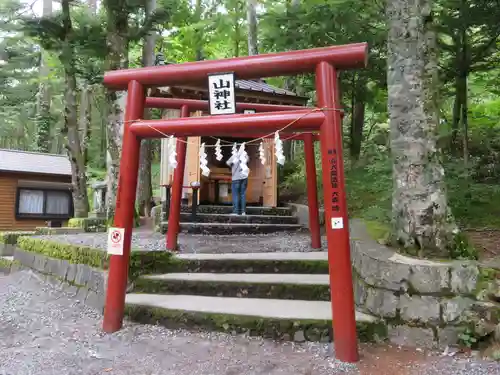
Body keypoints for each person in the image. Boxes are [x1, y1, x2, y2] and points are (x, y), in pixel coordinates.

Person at [226, 145, 249, 215]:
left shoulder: (234, 156)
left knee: (236, 195)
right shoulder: (246, 156)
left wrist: (232, 164)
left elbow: (227, 163)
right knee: (243, 194)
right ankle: (243, 211)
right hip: (244, 178)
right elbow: (248, 162)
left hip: (236, 178)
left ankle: (236, 211)